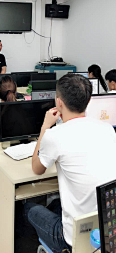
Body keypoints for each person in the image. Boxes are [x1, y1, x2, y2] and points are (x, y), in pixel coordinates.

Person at [27, 74, 116, 252]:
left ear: (59, 102)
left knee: (29, 208)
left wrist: (45, 127)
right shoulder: (107, 129)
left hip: (72, 239)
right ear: (89, 101)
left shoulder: (55, 135)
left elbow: (37, 169)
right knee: (57, 202)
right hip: (107, 228)